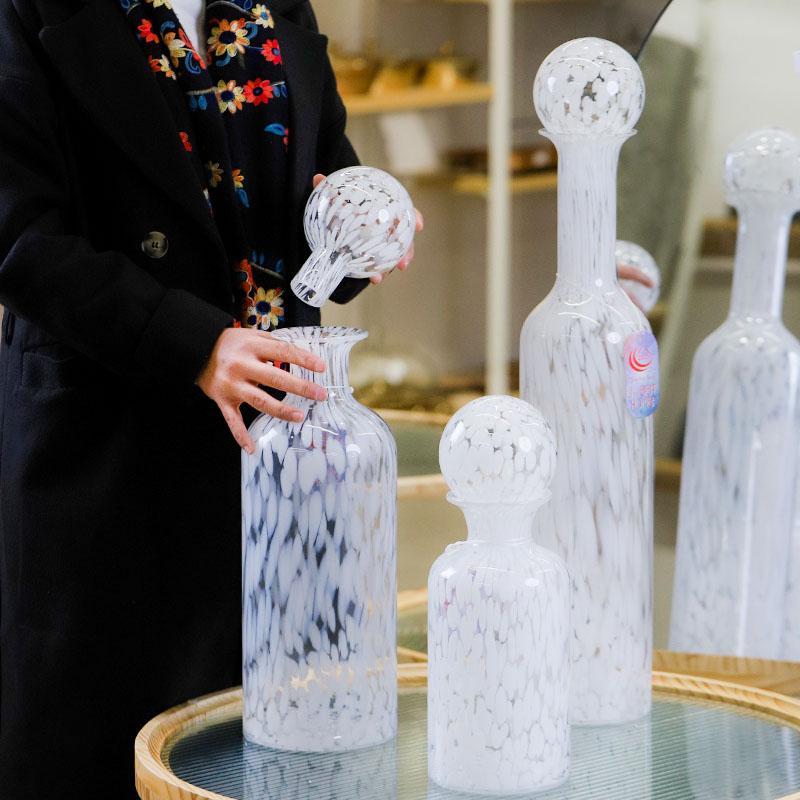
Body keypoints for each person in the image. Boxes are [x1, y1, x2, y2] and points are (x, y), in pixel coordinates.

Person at [0, 2, 651, 798]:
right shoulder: (31, 11)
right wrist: (194, 343)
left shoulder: (276, 5)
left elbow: (319, 173)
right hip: (111, 452)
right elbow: (21, 237)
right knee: (105, 745)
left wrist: (362, 221)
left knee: (270, 740)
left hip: (285, 453)